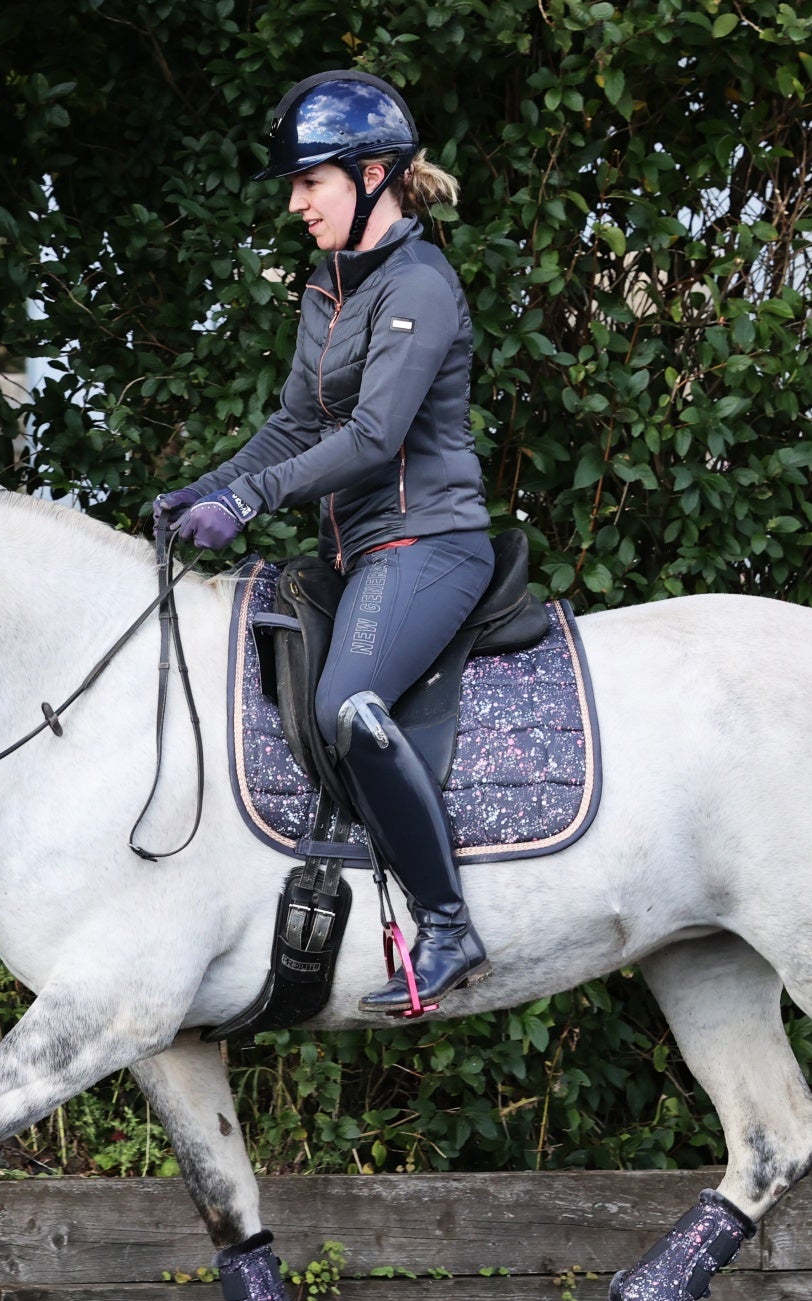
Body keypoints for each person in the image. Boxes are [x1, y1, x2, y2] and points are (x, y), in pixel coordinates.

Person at [154, 70, 491, 1014]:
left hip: (427, 543)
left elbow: (374, 437)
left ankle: (450, 925)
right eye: (296, 186)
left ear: (374, 173)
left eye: (313, 182)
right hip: (357, 553)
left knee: (347, 702)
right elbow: (298, 423)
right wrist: (209, 487)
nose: (297, 203)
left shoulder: (420, 284)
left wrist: (250, 501)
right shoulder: (329, 288)